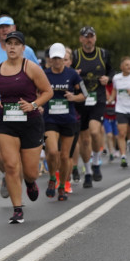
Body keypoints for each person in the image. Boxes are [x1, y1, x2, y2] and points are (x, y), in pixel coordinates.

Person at [0, 31, 53, 224]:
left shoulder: (31, 68)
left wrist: (34, 105)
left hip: (30, 123)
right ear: (5, 47)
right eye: (9, 43)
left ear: (23, 48)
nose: (12, 47)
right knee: (12, 166)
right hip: (7, 123)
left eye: (16, 44)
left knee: (29, 171)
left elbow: (48, 91)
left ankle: (30, 182)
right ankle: (17, 209)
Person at [0, 15, 40, 197]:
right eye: (0, 27)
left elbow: (38, 77)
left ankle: (22, 177)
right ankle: (10, 173)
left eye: (7, 26)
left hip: (23, 111)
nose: (4, 30)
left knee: (26, 164)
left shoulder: (26, 51)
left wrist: (36, 102)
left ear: (14, 26)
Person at [42, 43, 84, 202]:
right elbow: (37, 93)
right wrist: (38, 104)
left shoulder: (72, 74)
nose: (57, 61)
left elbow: (85, 94)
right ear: (50, 59)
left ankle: (62, 187)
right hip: (50, 119)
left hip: (68, 119)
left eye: (60, 58)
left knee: (66, 156)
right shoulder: (44, 74)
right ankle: (53, 177)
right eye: (54, 58)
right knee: (52, 152)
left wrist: (74, 97)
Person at [72, 26, 112, 186]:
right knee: (84, 140)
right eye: (86, 37)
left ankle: (96, 162)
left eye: (91, 36)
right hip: (81, 101)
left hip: (98, 99)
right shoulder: (76, 55)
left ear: (95, 38)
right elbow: (69, 74)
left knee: (95, 131)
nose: (89, 39)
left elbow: (112, 71)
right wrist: (74, 75)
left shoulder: (103, 54)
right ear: (81, 39)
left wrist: (108, 78)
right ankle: (88, 172)